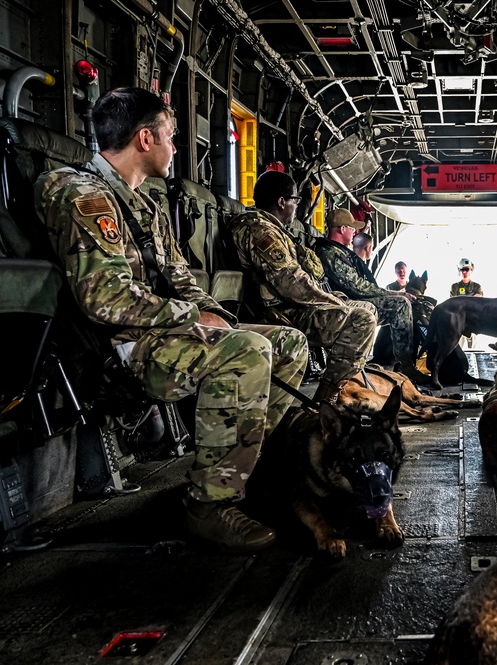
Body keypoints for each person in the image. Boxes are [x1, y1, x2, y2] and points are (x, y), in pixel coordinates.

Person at [34, 87, 310, 553]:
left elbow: (182, 279)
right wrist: (191, 315)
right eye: (171, 136)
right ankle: (207, 505)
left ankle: (240, 471)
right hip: (121, 348)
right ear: (145, 139)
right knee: (248, 351)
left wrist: (215, 316)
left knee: (289, 343)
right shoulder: (81, 195)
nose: (176, 147)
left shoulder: (144, 205)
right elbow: (105, 299)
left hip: (168, 332)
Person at [227, 171, 378, 404]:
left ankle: (347, 383)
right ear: (281, 202)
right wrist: (335, 303)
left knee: (367, 308)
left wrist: (333, 298)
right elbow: (292, 285)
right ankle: (325, 400)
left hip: (294, 307)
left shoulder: (273, 229)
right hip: (283, 313)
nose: (296, 207)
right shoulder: (261, 231)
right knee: (362, 320)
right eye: (295, 201)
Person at [314, 208, 428, 384]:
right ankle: (407, 366)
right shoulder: (330, 253)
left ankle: (404, 364)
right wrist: (396, 293)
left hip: (351, 300)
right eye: (351, 228)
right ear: (342, 229)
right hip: (345, 304)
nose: (354, 233)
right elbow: (357, 286)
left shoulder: (338, 251)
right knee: (401, 304)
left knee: (402, 302)